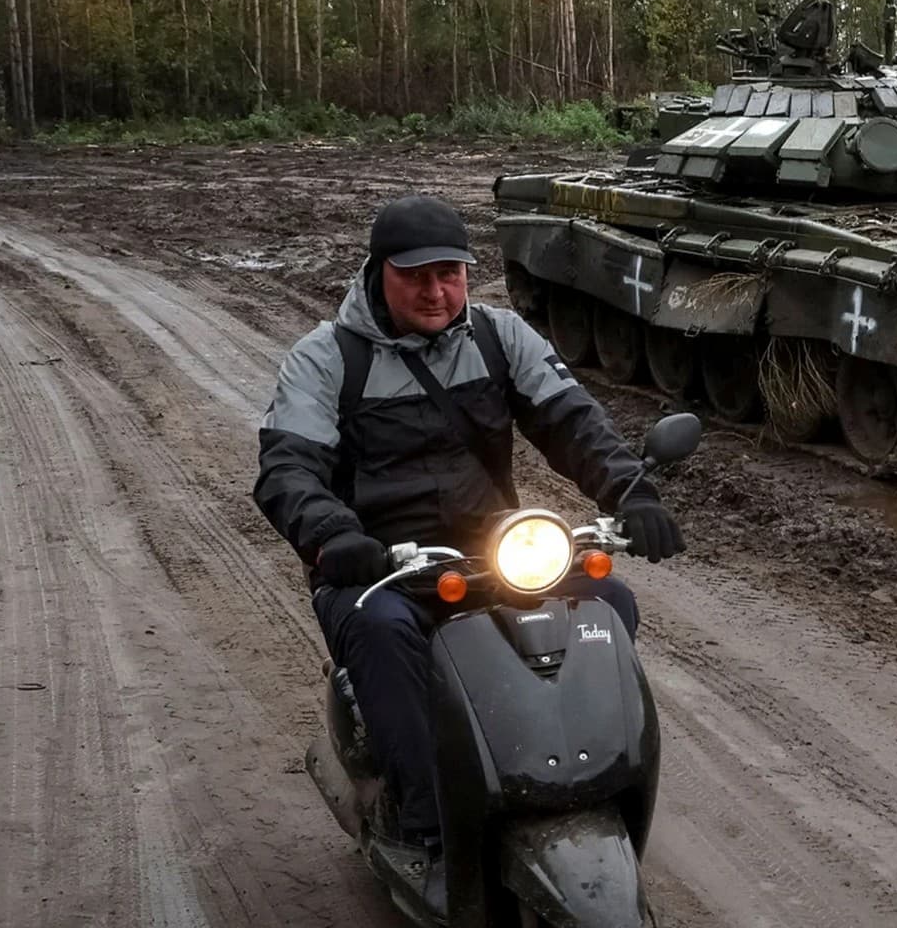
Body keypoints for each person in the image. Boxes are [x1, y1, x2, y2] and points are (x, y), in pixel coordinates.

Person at [253, 194, 683, 854]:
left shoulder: (498, 336)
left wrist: (633, 494)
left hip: (493, 552)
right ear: (381, 272)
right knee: (382, 634)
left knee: (607, 603)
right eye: (416, 275)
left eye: (449, 273)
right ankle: (424, 816)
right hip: (378, 566)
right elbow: (289, 468)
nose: (436, 291)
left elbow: (573, 422)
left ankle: (582, 771)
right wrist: (333, 535)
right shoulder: (327, 357)